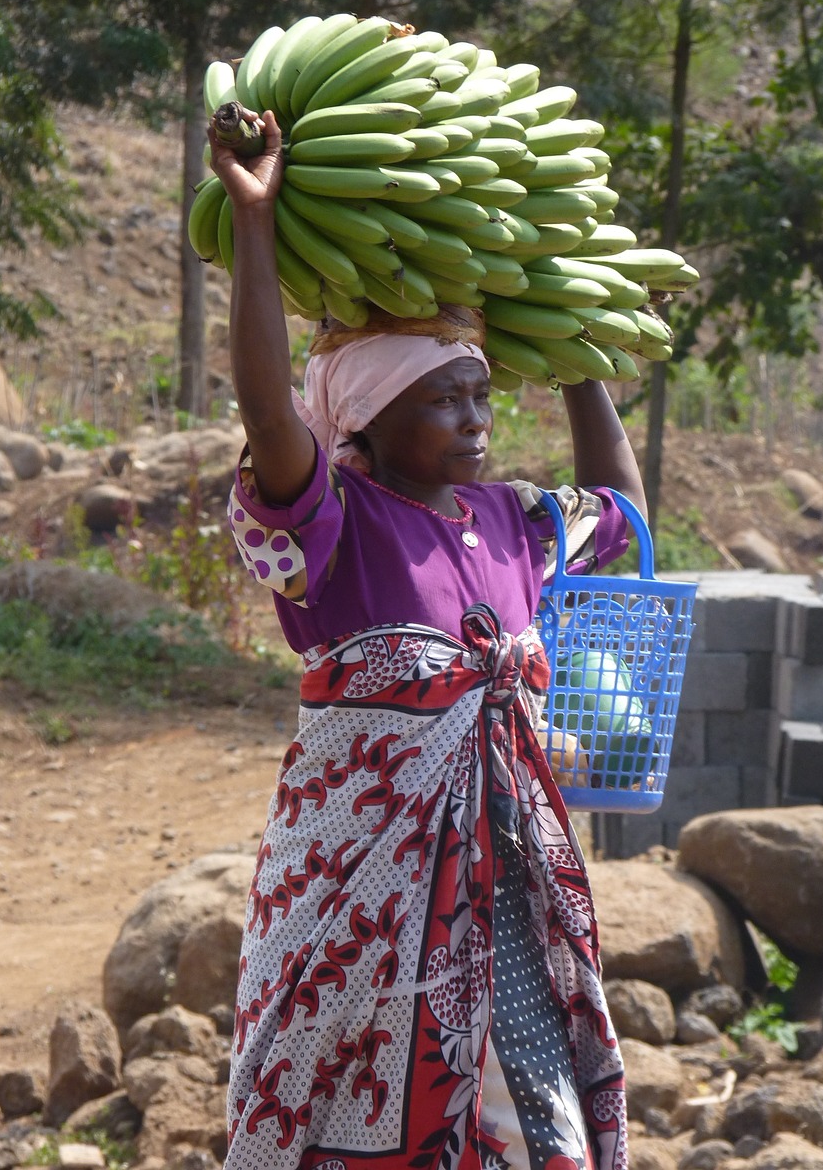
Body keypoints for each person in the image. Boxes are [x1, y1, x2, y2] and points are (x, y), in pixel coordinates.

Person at [210, 105, 646, 1170]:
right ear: (361, 417)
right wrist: (254, 223)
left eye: (481, 393)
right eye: (442, 398)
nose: (475, 418)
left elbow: (625, 511)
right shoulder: (331, 526)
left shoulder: (509, 522)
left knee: (531, 1137)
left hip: (504, 907)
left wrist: (575, 341)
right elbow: (270, 415)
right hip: (358, 921)